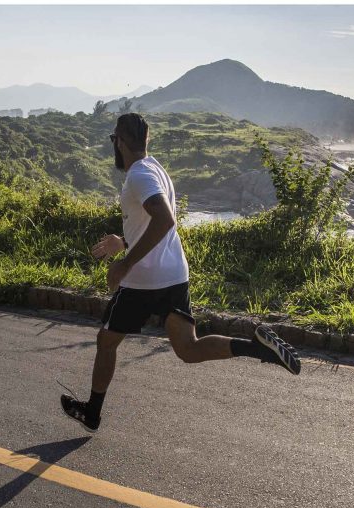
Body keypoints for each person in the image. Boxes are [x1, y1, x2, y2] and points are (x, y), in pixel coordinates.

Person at [60, 113, 301, 432]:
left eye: (113, 140)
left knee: (106, 341)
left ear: (119, 141)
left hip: (143, 281)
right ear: (146, 140)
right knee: (188, 348)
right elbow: (151, 223)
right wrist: (124, 242)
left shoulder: (138, 176)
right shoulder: (155, 169)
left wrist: (124, 264)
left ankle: (92, 412)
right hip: (174, 274)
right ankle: (256, 348)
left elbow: (164, 220)